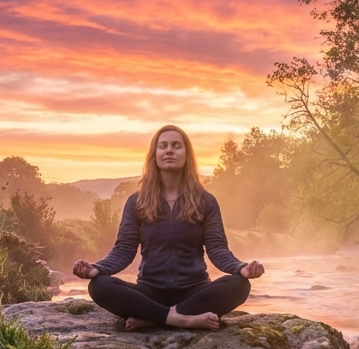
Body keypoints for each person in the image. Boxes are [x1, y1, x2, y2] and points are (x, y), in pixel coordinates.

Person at [72, 125, 264, 331]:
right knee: (99, 286)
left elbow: (217, 249)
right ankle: (182, 319)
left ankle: (155, 317)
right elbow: (124, 249)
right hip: (149, 290)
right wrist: (97, 269)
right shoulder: (137, 201)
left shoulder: (206, 201)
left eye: (176, 146)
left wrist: (240, 268)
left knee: (239, 285)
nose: (169, 150)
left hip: (194, 290)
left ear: (186, 154)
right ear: (154, 155)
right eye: (163, 146)